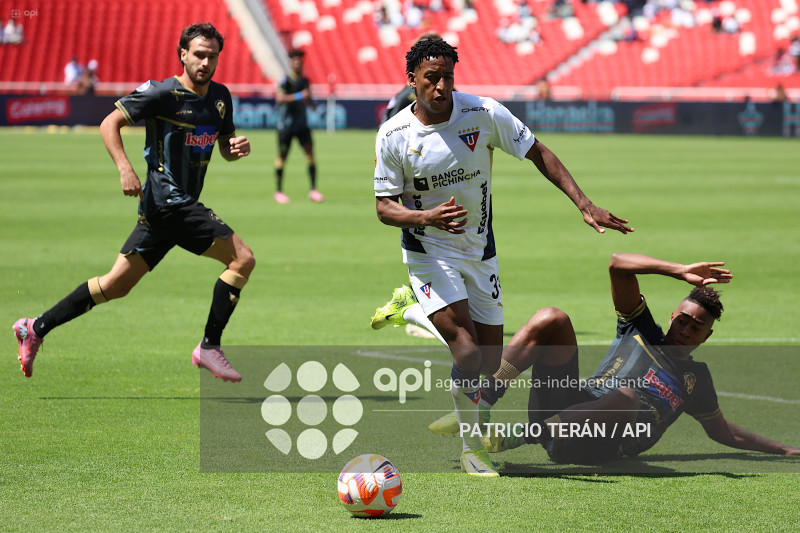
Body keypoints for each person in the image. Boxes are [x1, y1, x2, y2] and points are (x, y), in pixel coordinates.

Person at [373, 39, 633, 476]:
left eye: (447, 77)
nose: (440, 87)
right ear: (412, 80)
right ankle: (472, 449)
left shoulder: (483, 113)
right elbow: (384, 207)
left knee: (491, 366)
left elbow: (539, 153)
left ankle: (414, 312)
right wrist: (428, 216)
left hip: (479, 252)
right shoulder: (394, 135)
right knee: (469, 354)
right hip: (428, 250)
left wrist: (584, 203)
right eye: (431, 77)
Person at [12, 23, 253, 383]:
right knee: (242, 259)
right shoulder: (160, 93)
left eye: (212, 56)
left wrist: (235, 150)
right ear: (182, 54)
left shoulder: (220, 97)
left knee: (115, 286)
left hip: (169, 210)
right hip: (168, 201)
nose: (205, 62)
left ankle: (35, 327)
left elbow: (224, 147)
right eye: (199, 54)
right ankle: (209, 345)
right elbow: (110, 123)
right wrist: (125, 169)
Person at [430, 253, 800, 464]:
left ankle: (513, 439)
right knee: (552, 318)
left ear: (707, 336)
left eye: (696, 327)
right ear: (672, 317)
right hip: (570, 410)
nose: (686, 330)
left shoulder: (696, 379)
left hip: (601, 444)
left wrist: (783, 448)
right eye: (683, 320)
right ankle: (482, 404)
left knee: (626, 397)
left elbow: (724, 431)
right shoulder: (640, 329)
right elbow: (618, 263)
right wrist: (678, 270)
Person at [273, 49, 323, 204]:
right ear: (290, 62)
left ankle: (313, 190)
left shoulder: (305, 81)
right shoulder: (285, 80)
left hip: (302, 124)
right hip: (286, 125)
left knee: (310, 155)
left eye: (299, 60)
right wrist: (300, 96)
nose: (297, 63)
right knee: (282, 157)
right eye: (294, 60)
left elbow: (307, 98)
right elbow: (279, 98)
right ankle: (279, 191)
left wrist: (312, 104)